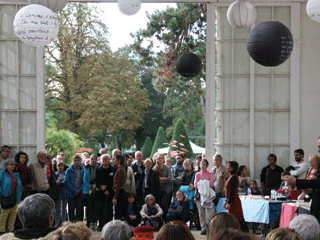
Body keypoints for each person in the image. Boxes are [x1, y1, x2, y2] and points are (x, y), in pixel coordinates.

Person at [224, 161, 248, 232]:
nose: (227, 167)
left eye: (228, 166)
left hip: (234, 202)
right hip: (232, 201)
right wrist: (226, 201)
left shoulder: (234, 177)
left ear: (232, 168)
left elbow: (232, 191)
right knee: (234, 220)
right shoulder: (231, 176)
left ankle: (245, 235)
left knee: (238, 219)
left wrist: (229, 202)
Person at [0, 159, 23, 234]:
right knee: (4, 215)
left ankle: (11, 231)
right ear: (6, 165)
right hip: (5, 197)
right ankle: (2, 231)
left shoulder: (16, 174)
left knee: (13, 216)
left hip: (16, 197)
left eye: (14, 164)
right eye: (11, 164)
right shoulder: (2, 174)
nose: (13, 166)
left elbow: (19, 185)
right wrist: (2, 192)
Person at [195, 159, 215, 235]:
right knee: (201, 212)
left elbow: (211, 183)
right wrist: (205, 183)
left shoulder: (210, 173)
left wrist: (203, 183)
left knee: (210, 212)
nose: (203, 166)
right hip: (200, 195)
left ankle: (211, 227)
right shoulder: (197, 174)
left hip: (208, 195)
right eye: (201, 164)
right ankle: (203, 228)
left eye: (204, 164)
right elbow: (196, 185)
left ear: (207, 166)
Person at [95, 154, 115, 231]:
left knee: (109, 209)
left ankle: (109, 225)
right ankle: (100, 225)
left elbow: (113, 180)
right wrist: (102, 188)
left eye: (106, 159)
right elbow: (97, 179)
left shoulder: (113, 169)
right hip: (100, 191)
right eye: (103, 159)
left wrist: (107, 187)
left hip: (110, 191)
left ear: (109, 160)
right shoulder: (98, 169)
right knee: (100, 208)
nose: (105, 161)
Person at [64, 155, 84, 223]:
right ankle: (71, 223)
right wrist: (74, 190)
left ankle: (78, 224)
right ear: (73, 161)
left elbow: (84, 181)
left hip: (80, 193)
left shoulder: (83, 170)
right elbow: (66, 181)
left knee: (79, 209)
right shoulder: (69, 170)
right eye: (75, 160)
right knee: (71, 209)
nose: (76, 162)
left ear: (80, 161)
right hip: (71, 193)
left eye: (78, 160)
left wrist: (79, 190)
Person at [153, 153, 172, 218]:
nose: (160, 160)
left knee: (165, 206)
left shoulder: (167, 168)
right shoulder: (154, 168)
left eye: (161, 158)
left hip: (166, 190)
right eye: (158, 158)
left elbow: (169, 179)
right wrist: (163, 178)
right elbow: (153, 180)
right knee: (158, 206)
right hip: (158, 190)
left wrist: (159, 179)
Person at [83, 154, 99, 230]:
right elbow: (85, 179)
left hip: (97, 189)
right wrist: (90, 187)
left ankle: (95, 222)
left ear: (96, 160)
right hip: (88, 189)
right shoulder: (86, 167)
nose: (93, 161)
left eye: (94, 159)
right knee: (89, 207)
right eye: (91, 159)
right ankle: (90, 222)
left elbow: (100, 178)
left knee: (96, 207)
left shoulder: (99, 167)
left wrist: (95, 187)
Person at [113, 154, 127, 220]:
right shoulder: (120, 169)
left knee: (119, 212)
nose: (114, 160)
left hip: (120, 193)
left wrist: (115, 197)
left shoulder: (120, 170)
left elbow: (119, 184)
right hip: (120, 192)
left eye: (115, 159)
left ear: (119, 160)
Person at [54, 162, 67, 227]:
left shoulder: (66, 174)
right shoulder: (55, 174)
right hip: (58, 192)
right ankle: (57, 223)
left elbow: (66, 182)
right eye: (59, 166)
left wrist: (61, 182)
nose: (60, 167)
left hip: (65, 192)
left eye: (62, 165)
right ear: (57, 167)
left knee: (64, 208)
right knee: (57, 208)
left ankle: (63, 222)